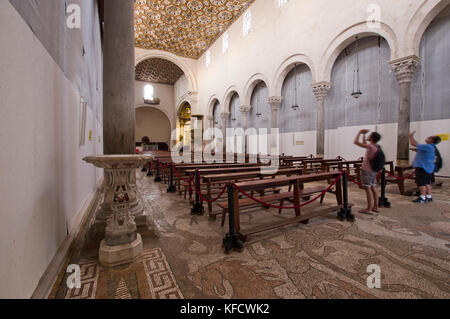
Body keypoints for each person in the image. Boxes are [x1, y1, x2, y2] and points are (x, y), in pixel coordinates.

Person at [354, 129, 382, 215]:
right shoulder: (376, 146)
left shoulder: (371, 147)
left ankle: (369, 209)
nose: (368, 136)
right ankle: (376, 207)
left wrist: (359, 132)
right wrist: (363, 135)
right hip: (373, 171)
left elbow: (356, 142)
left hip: (367, 171)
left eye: (370, 135)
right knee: (373, 188)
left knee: (367, 188)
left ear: (372, 138)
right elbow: (364, 143)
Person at [409, 132, 442, 203]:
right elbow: (418, 145)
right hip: (428, 168)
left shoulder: (428, 146)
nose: (427, 138)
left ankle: (422, 197)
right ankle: (429, 196)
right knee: (427, 183)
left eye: (429, 137)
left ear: (432, 140)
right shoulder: (431, 147)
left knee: (421, 183)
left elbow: (413, 143)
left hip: (423, 167)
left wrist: (411, 136)